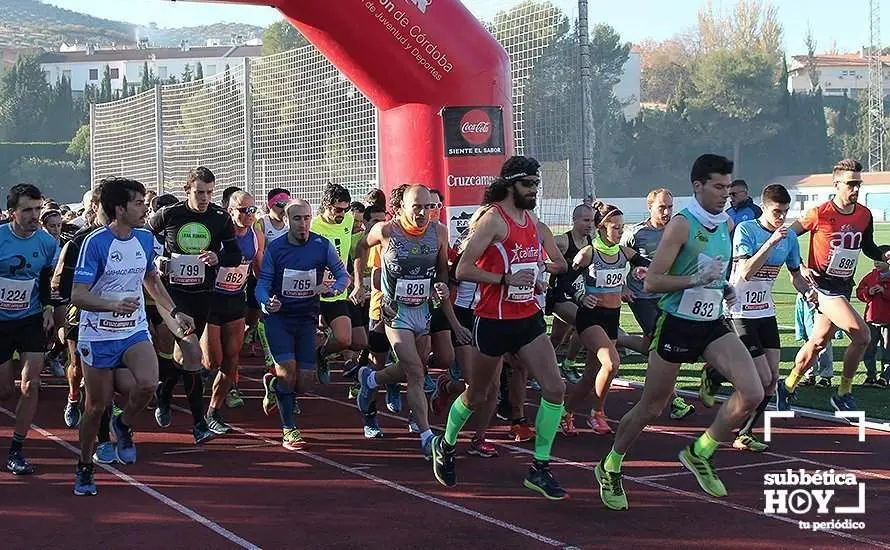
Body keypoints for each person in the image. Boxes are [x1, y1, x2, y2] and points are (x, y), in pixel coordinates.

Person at [594, 154, 764, 511]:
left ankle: (700, 452)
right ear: (698, 186)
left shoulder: (727, 224)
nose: (725, 194)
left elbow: (715, 272)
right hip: (675, 324)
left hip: (711, 323)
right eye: (718, 187)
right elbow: (654, 281)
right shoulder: (682, 225)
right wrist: (694, 281)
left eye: (728, 188)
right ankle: (610, 465)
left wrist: (722, 288)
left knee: (752, 391)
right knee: (652, 407)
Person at [431, 156, 569, 500]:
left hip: (528, 319)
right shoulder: (493, 219)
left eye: (536, 185)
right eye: (528, 185)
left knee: (555, 389)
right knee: (478, 395)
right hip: (492, 322)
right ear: (510, 185)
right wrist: (505, 278)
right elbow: (462, 270)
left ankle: (540, 467)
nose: (534, 191)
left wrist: (540, 274)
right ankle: (446, 444)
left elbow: (553, 263)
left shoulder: (532, 221)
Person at [71, 177, 195, 496]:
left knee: (147, 384)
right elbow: (78, 295)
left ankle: (123, 425)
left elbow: (151, 280)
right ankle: (85, 466)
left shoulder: (143, 238)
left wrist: (174, 310)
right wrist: (112, 304)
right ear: (119, 208)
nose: (144, 208)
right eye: (138, 203)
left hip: (133, 329)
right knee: (95, 406)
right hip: (98, 334)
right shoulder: (95, 242)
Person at [352, 184, 469, 457]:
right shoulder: (386, 231)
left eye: (428, 207)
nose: (422, 212)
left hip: (423, 310)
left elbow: (442, 270)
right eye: (416, 206)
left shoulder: (438, 232)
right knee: (416, 372)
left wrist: (440, 285)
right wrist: (359, 283)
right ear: (401, 207)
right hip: (395, 312)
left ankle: (370, 380)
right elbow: (358, 248)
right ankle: (427, 436)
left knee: (410, 369)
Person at [779, 159, 890, 412]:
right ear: (836, 183)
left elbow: (868, 246)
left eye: (858, 184)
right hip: (822, 286)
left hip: (843, 286)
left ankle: (786, 386)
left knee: (818, 342)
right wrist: (798, 269)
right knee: (861, 336)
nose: (855, 189)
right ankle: (843, 392)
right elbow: (786, 238)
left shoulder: (864, 214)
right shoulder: (819, 213)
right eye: (850, 184)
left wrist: (883, 255)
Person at [149, 166, 242, 444]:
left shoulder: (220, 217)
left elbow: (234, 254)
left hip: (202, 293)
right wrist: (157, 260)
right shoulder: (169, 214)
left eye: (209, 193)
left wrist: (218, 257)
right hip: (171, 295)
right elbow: (141, 240)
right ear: (186, 189)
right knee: (192, 350)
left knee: (183, 357)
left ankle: (164, 393)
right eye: (199, 192)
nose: (204, 198)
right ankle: (199, 424)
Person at [256, 199, 350, 450]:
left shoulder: (322, 245)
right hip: (279, 320)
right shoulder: (276, 249)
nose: (303, 223)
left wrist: (332, 290)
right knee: (288, 371)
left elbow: (343, 276)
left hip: (307, 319)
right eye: (297, 218)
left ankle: (274, 385)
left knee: (304, 382)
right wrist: (267, 304)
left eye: (307, 218)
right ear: (286, 221)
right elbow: (262, 285)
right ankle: (289, 428)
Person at [724, 184, 811, 452]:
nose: (781, 218)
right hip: (740, 311)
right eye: (777, 211)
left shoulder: (790, 238)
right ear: (763, 207)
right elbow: (747, 272)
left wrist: (809, 293)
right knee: (760, 378)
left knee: (772, 378)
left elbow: (795, 275)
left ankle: (745, 433)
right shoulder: (747, 230)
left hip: (765, 311)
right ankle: (717, 381)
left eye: (785, 212)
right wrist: (771, 242)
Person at [559, 201, 648, 436]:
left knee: (590, 376)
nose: (621, 231)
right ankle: (597, 413)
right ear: (602, 228)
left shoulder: (623, 252)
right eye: (616, 228)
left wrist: (637, 274)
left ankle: (565, 413)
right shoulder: (589, 253)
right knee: (612, 364)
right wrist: (580, 296)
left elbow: (645, 265)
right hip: (590, 319)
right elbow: (564, 282)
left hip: (611, 317)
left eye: (622, 227)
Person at [620, 188, 695, 420]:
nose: (666, 211)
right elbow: (618, 255)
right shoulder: (636, 232)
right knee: (662, 345)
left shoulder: (678, 230)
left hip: (668, 296)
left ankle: (617, 337)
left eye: (670, 207)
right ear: (649, 207)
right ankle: (673, 401)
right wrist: (622, 286)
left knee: (657, 346)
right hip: (641, 295)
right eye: (662, 207)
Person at [0, 184, 58, 475]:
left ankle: (17, 449)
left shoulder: (47, 243)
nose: (34, 215)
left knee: (30, 383)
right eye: (27, 210)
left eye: (37, 209)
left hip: (30, 318)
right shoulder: (0, 238)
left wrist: (47, 308)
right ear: (13, 212)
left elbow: (46, 278)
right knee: (4, 391)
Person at [201, 190, 264, 434]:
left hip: (236, 299)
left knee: (232, 359)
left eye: (252, 210)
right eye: (243, 210)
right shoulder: (217, 234)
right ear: (230, 211)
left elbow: (258, 267)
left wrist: (267, 294)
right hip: (212, 301)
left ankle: (213, 411)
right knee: (211, 361)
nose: (249, 215)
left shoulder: (255, 235)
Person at [311, 183, 361, 384]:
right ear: (326, 205)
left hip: (337, 291)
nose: (342, 213)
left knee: (344, 340)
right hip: (313, 292)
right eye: (338, 209)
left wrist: (356, 281)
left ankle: (321, 354)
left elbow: (359, 246)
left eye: (346, 209)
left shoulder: (349, 220)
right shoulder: (313, 226)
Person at [855, 259, 890, 387]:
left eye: (881, 261)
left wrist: (884, 291)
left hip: (888, 321)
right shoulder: (870, 277)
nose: (877, 263)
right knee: (869, 350)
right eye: (875, 261)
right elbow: (859, 292)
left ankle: (885, 377)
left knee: (887, 350)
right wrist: (868, 292)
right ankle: (871, 376)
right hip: (871, 319)